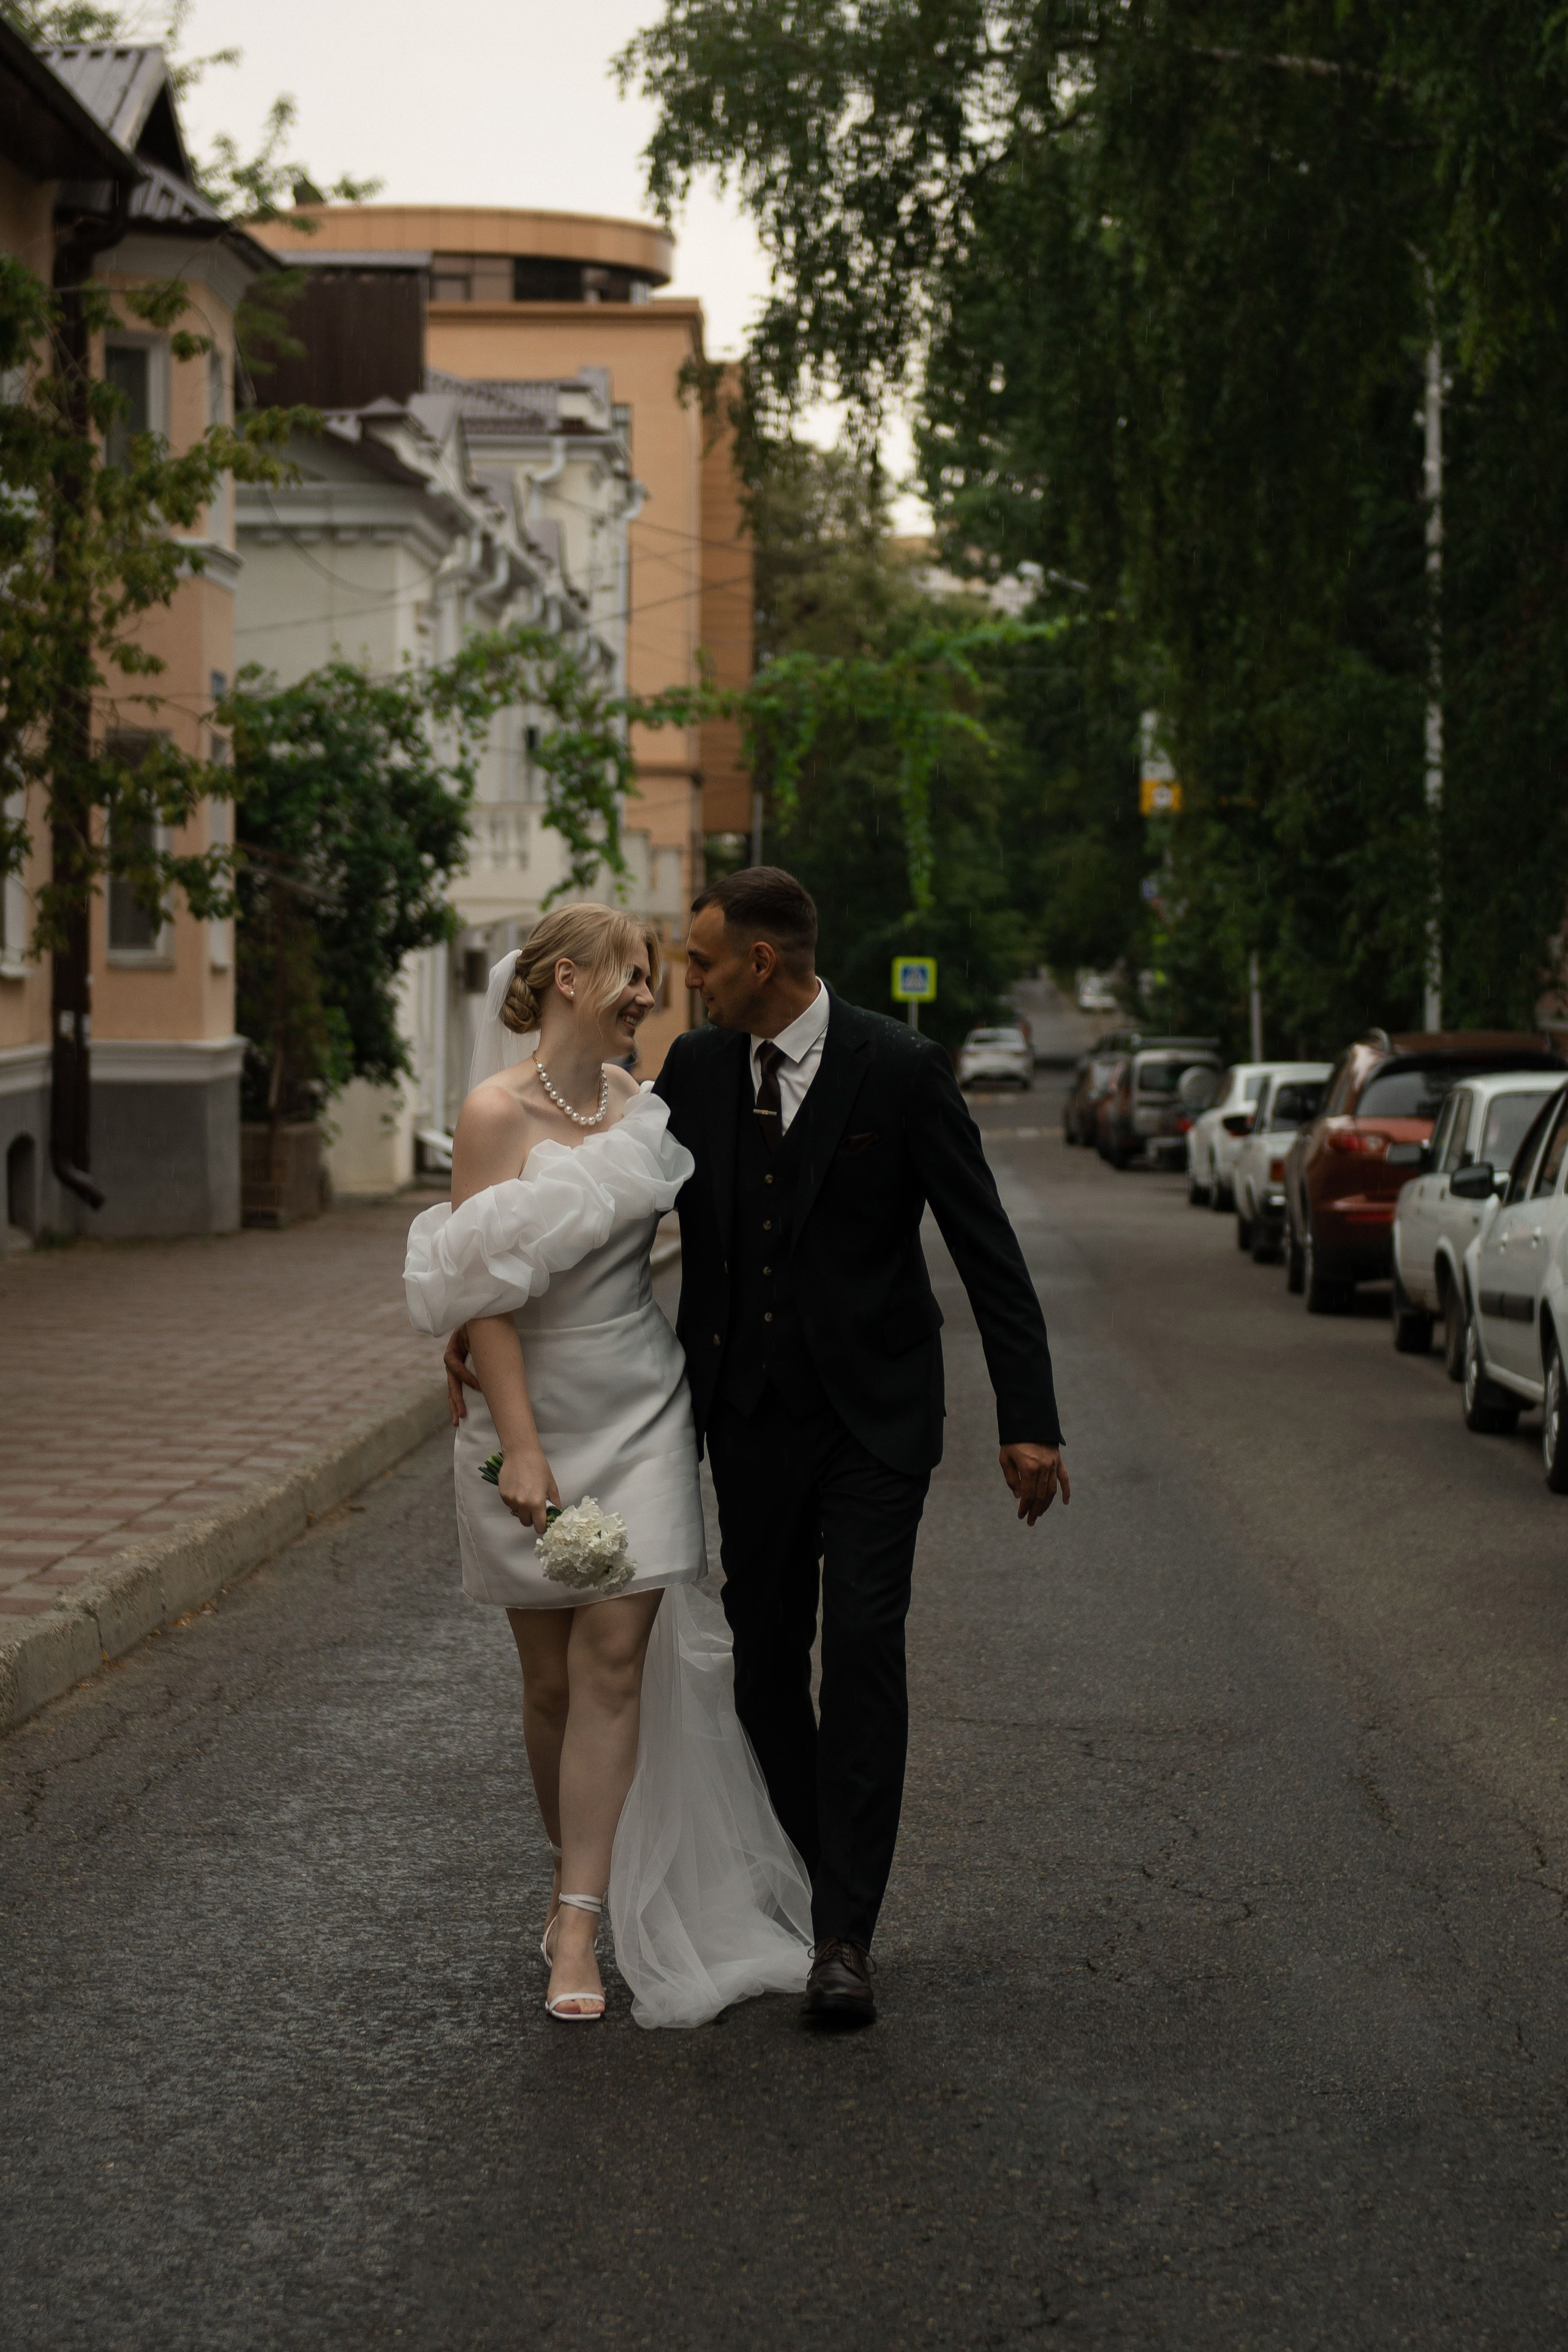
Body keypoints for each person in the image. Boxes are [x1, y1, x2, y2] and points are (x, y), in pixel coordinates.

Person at [448, 870, 1070, 2029]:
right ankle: (809, 1876)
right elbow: (570, 1211)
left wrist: (1029, 1419)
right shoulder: (685, 1078)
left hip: (878, 1417)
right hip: (745, 1417)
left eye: (701, 961)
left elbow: (988, 1249)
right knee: (769, 1661)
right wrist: (472, 1333)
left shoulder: (900, 1069)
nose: (685, 981)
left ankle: (845, 1932)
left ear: (762, 963)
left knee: (868, 1645)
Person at [407, 905, 812, 2027]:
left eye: (654, 975)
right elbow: (481, 1289)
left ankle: (580, 1921)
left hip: (641, 1402)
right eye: (633, 975)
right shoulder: (493, 1112)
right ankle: (567, 1879)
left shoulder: (649, 1112)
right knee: (548, 1683)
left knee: (617, 1660)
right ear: (569, 981)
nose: (651, 992)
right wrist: (521, 1444)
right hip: (524, 1411)